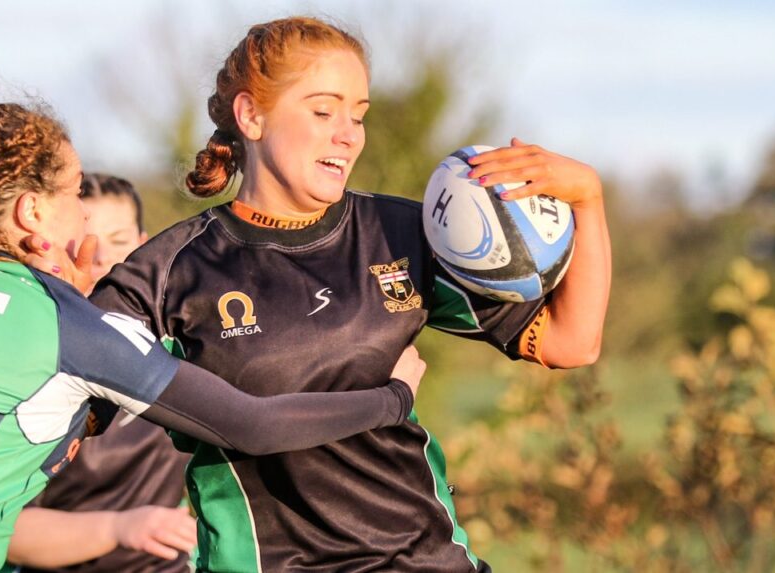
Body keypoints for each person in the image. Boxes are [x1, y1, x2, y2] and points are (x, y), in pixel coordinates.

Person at [0, 51, 428, 573]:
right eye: (72, 192)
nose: (84, 212)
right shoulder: (65, 324)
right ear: (34, 214)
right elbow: (249, 425)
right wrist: (392, 398)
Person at [33, 16, 611, 573]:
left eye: (358, 114)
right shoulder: (168, 271)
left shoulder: (405, 234)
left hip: (423, 560)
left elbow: (570, 342)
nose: (347, 133)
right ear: (251, 115)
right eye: (323, 110)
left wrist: (588, 199)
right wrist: (62, 317)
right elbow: (58, 432)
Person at [7, 174, 194, 572]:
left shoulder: (183, 347)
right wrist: (120, 527)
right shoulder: (27, 364)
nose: (104, 258)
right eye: (88, 239)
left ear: (145, 246)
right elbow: (3, 532)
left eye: (120, 240)